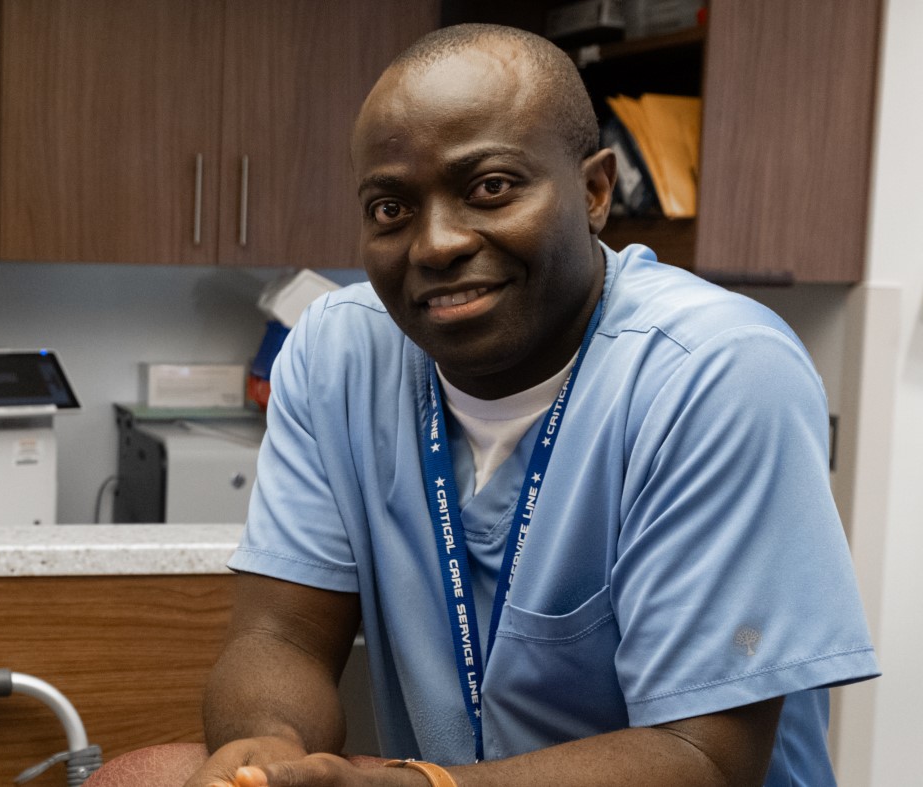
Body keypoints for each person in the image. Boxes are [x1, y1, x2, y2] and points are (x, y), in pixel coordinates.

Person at [172, 22, 879, 787]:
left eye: (490, 188)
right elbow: (281, 637)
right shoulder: (337, 354)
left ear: (594, 190)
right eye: (390, 208)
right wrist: (266, 751)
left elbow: (702, 756)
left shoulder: (716, 372)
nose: (435, 243)